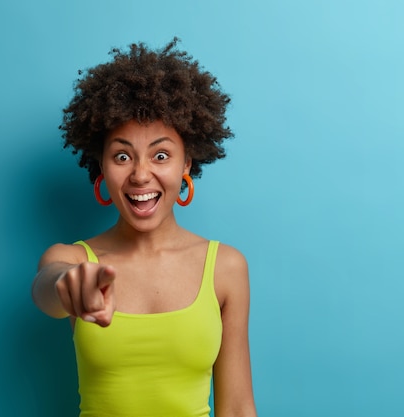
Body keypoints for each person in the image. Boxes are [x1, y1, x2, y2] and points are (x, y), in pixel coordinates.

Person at [31, 38, 258, 417]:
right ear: (101, 165)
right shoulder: (72, 259)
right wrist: (69, 284)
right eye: (122, 156)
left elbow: (236, 407)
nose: (140, 175)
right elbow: (48, 291)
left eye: (161, 155)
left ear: (187, 162)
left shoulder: (226, 267)